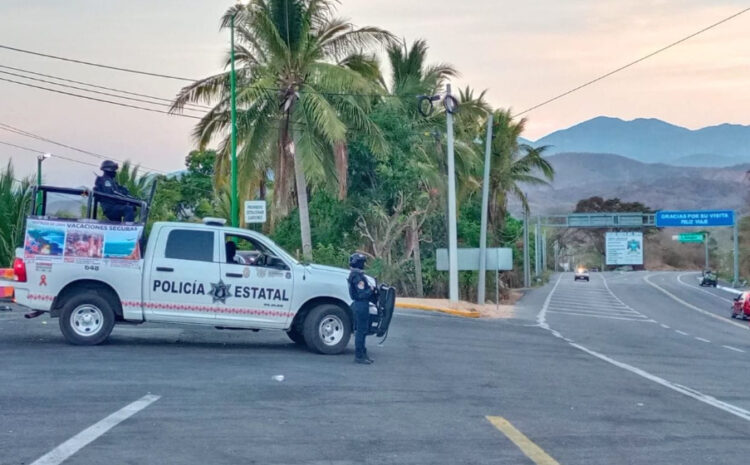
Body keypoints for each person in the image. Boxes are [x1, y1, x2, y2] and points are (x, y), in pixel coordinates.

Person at [348, 252, 375, 364]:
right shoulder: (357, 277)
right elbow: (361, 294)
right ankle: (359, 356)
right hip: (361, 304)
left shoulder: (356, 275)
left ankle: (363, 353)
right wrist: (371, 290)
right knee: (361, 331)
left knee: (363, 330)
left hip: (361, 304)